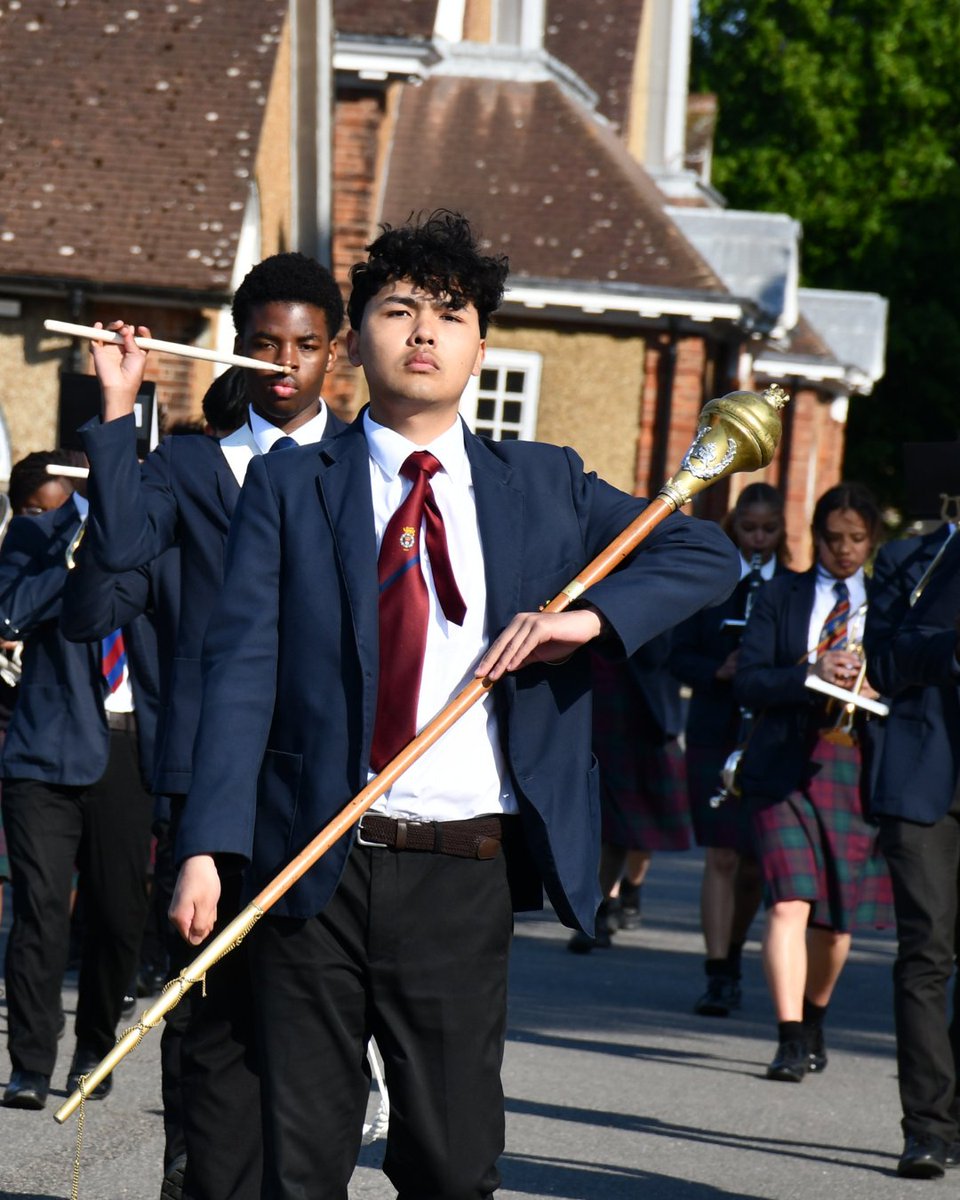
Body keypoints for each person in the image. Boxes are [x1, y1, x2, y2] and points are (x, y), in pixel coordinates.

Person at [167, 210, 741, 1198]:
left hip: (463, 870)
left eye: (451, 313)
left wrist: (587, 620)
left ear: (481, 345)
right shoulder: (290, 486)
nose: (425, 331)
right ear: (355, 343)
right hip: (312, 862)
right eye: (398, 311)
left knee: (452, 1163)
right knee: (299, 1164)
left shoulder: (545, 485)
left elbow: (705, 553)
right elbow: (240, 673)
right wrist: (205, 847)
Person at [81, 252, 346, 1200]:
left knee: (310, 1007)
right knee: (201, 1006)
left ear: (334, 352)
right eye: (266, 345)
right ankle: (192, 1179)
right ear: (237, 348)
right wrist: (120, 407)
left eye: (306, 346)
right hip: (203, 780)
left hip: (327, 777)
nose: (285, 363)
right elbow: (117, 552)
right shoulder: (190, 468)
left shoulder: (364, 466)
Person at [0, 456, 162, 1111]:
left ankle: (95, 1049)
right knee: (40, 911)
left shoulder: (147, 535)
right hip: (45, 752)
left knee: (119, 915)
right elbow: (10, 612)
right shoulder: (36, 537)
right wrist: (74, 551)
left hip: (128, 748)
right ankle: (30, 1064)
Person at [734, 481, 892, 1083]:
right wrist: (810, 671)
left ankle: (815, 1017)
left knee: (835, 923)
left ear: (872, 540)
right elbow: (748, 680)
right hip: (782, 764)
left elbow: (912, 684)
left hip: (855, 765)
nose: (843, 549)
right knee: (789, 902)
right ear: (816, 537)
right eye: (832, 538)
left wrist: (877, 684)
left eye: (856, 538)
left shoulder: (890, 604)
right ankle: (789, 1038)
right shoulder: (781, 594)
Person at [671, 482, 793, 1015]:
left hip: (768, 736)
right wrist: (716, 670)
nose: (758, 538)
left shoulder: (793, 588)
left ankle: (736, 951)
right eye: (749, 528)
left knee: (751, 864)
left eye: (768, 530)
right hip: (715, 732)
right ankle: (718, 971)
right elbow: (676, 655)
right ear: (734, 527)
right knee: (720, 854)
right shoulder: (714, 584)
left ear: (782, 531)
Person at [865, 521, 960, 1178]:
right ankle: (927, 1127)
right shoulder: (912, 558)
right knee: (926, 952)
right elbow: (884, 662)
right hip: (923, 782)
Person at [567, 633, 687, 953]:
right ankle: (599, 910)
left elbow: (666, 652)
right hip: (594, 709)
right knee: (608, 826)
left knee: (640, 826)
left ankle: (628, 891)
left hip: (648, 715)